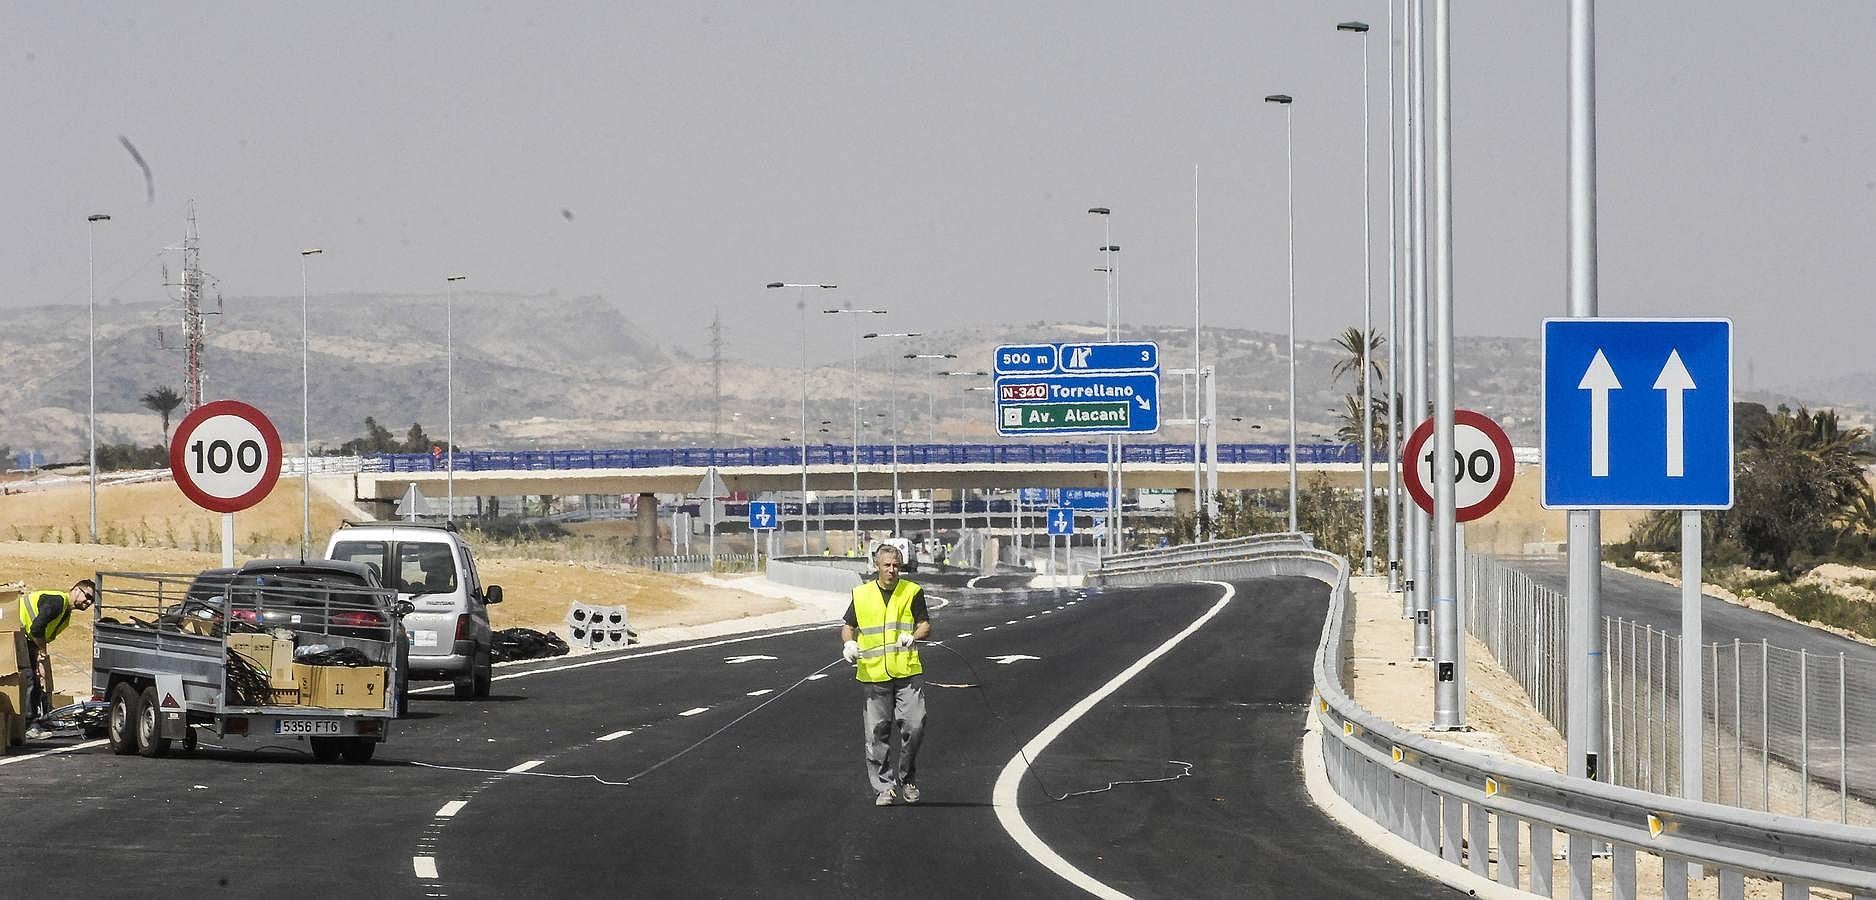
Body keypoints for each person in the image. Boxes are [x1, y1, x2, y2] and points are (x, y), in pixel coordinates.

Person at [839, 544, 931, 806]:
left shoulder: (912, 592)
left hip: (906, 671)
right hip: (874, 673)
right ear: (876, 566)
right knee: (877, 733)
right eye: (887, 565)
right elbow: (848, 626)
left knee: (914, 725)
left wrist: (912, 636)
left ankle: (907, 777)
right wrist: (849, 644)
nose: (892, 570)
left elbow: (925, 624)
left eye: (896, 565)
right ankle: (884, 787)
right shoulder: (862, 594)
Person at [19, 579, 95, 738]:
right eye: (87, 596)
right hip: (15, 632)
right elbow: (36, 628)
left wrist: (39, 659)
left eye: (92, 600)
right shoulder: (58, 602)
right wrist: (42, 653)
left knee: (35, 678)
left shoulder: (65, 614)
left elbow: (37, 634)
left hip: (24, 637)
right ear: (75, 590)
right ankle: (28, 726)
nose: (88, 602)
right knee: (29, 678)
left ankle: (34, 720)